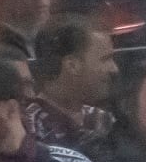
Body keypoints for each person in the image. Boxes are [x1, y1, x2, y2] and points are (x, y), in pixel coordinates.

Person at [24, 17, 118, 151]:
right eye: (105, 59)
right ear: (72, 65)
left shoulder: (103, 120)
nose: (114, 69)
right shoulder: (30, 126)